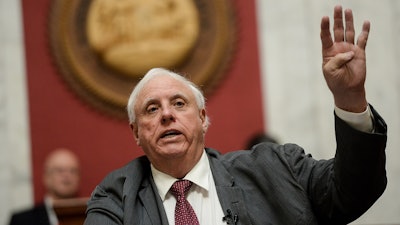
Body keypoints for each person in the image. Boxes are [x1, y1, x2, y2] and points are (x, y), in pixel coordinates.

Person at [84, 5, 387, 225]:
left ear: (203, 118)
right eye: (152, 109)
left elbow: (352, 193)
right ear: (136, 132)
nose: (166, 115)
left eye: (178, 103)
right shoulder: (115, 198)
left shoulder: (275, 169)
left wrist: (349, 99)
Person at [9, 148, 81, 225]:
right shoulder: (21, 221)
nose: (67, 175)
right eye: (60, 170)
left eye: (73, 171)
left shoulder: (91, 217)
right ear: (46, 177)